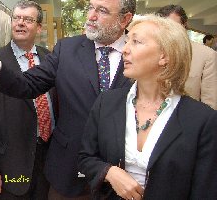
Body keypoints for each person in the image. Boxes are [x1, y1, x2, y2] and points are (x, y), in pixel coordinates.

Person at [0, 0, 135, 199]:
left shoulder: (141, 53)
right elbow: (26, 85)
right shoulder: (66, 50)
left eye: (102, 10)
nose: (91, 16)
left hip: (124, 178)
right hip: (67, 175)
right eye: (90, 7)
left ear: (125, 19)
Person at [78, 14, 217, 199]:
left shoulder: (202, 120)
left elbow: (204, 190)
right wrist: (109, 171)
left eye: (136, 42)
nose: (125, 49)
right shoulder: (107, 102)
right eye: (127, 41)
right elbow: (85, 158)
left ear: (165, 56)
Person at [0, 0, 57, 199]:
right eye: (17, 18)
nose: (20, 23)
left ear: (39, 27)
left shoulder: (50, 58)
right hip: (11, 166)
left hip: (50, 158)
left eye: (28, 19)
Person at [156, 5, 217, 109]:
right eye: (163, 27)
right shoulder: (150, 52)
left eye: (173, 26)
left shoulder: (206, 55)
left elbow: (210, 103)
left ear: (185, 25)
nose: (168, 32)